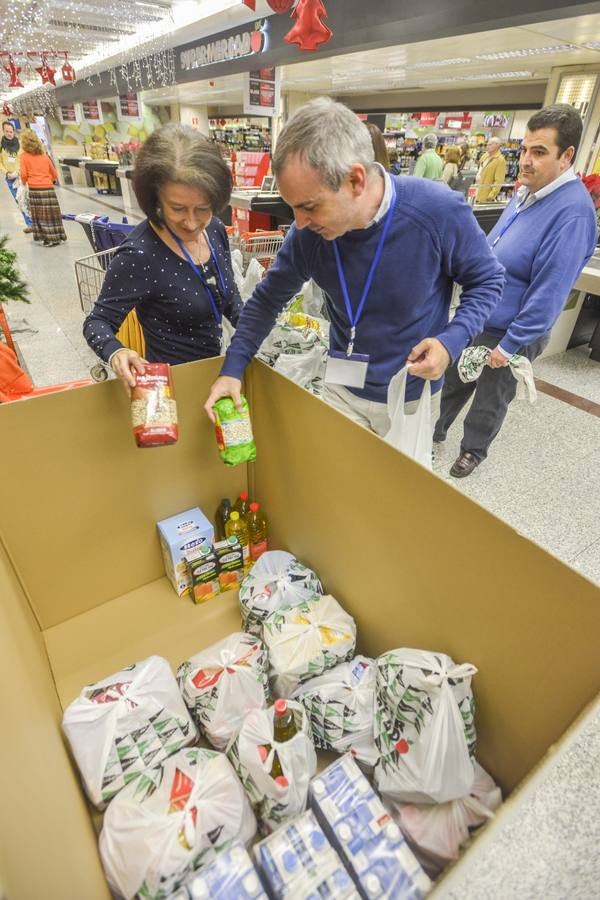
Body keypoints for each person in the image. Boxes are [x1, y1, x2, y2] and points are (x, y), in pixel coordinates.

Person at [204, 97, 505, 447]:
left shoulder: (436, 211)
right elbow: (267, 301)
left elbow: (487, 281)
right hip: (341, 386)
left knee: (396, 495)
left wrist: (449, 342)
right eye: (292, 208)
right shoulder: (309, 235)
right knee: (338, 487)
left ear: (356, 181)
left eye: (310, 207)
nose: (298, 223)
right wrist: (232, 369)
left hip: (408, 393)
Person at [434, 104, 597, 478]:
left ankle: (472, 452)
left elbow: (550, 291)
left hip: (511, 330)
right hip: (481, 314)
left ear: (566, 156)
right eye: (524, 149)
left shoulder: (572, 213)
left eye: (539, 152)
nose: (525, 160)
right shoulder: (525, 193)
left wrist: (510, 344)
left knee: (491, 398)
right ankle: (436, 430)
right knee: (456, 378)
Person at [83, 124, 242, 392]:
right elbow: (96, 322)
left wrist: (256, 330)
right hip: (173, 387)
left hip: (219, 375)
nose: (192, 223)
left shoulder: (214, 230)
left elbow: (227, 296)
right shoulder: (140, 254)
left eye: (203, 209)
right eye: (178, 209)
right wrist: (116, 351)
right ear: (155, 199)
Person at [19, 129, 66, 247]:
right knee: (52, 214)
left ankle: (48, 239)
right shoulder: (44, 155)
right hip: (48, 189)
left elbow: (24, 174)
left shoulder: (24, 156)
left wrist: (24, 183)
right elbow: (54, 173)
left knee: (41, 215)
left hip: (36, 189)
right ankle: (58, 237)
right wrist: (49, 180)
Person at [1, 120, 33, 233]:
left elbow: (25, 158)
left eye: (11, 131)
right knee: (19, 201)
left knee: (28, 199)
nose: (9, 133)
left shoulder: (20, 145)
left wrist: (23, 171)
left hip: (23, 176)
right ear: (3, 131)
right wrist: (6, 173)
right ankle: (30, 224)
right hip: (11, 178)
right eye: (7, 131)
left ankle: (36, 222)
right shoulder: (1, 146)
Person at [475, 137, 507, 203]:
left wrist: (490, 197)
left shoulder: (500, 160)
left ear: (497, 145)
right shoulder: (485, 155)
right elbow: (480, 168)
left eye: (490, 145)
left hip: (485, 196)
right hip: (477, 190)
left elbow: (498, 181)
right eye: (487, 144)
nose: (487, 146)